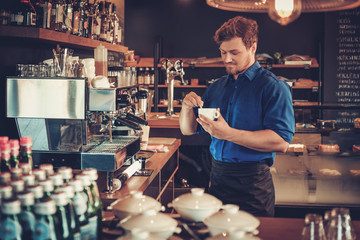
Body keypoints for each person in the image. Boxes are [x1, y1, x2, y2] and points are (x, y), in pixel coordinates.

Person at [179, 16, 295, 217]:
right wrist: (186, 108)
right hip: (217, 179)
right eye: (223, 52)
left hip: (253, 185)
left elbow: (281, 142)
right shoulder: (215, 88)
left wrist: (229, 134)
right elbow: (188, 130)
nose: (227, 59)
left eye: (234, 52)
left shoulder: (273, 87)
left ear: (253, 47)